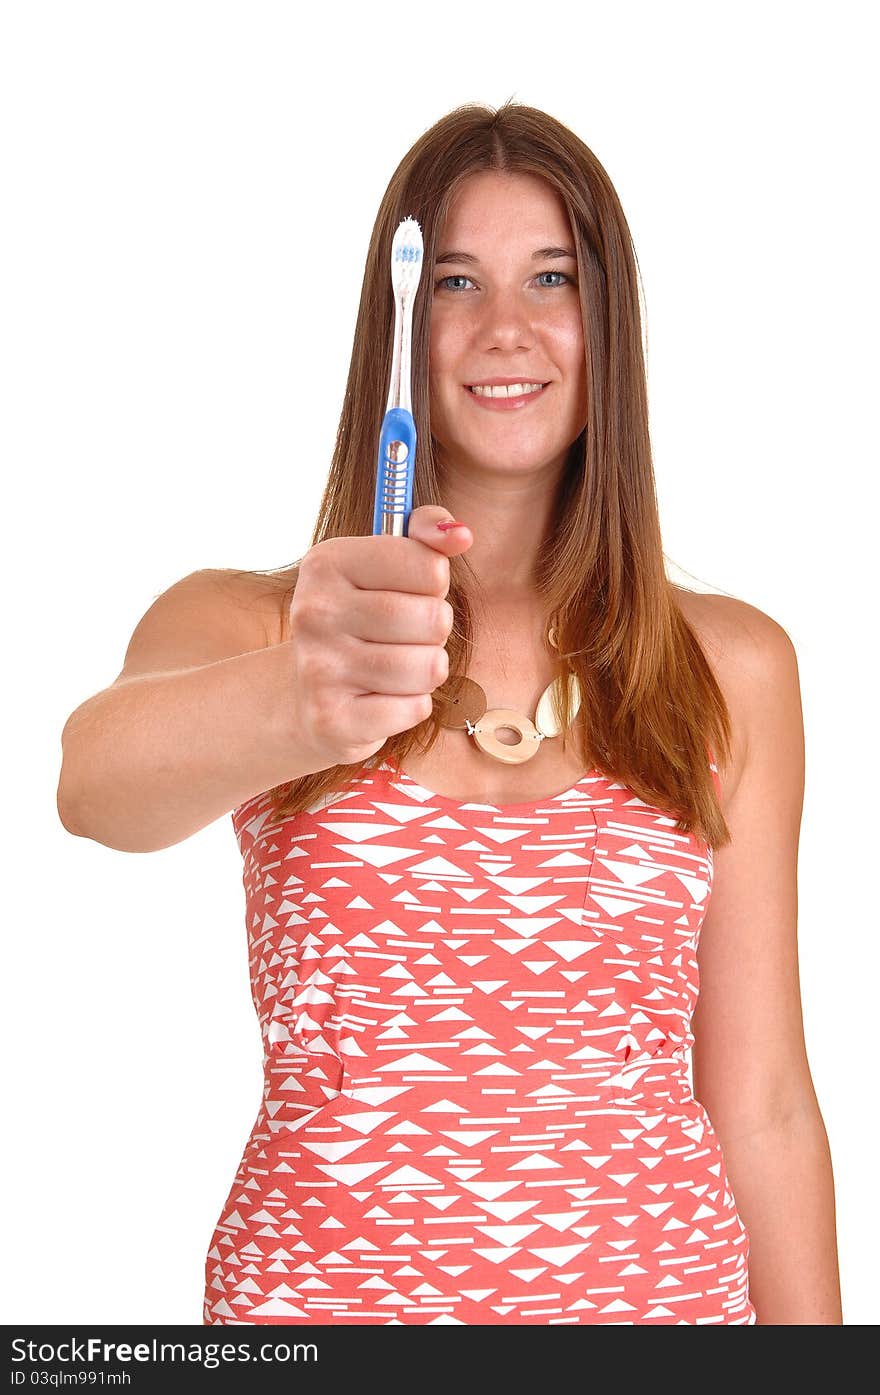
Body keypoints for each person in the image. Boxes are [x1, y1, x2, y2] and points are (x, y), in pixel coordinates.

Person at [56, 100, 842, 1326]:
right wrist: (301, 697)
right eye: (457, 283)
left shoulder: (730, 667)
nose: (506, 328)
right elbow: (92, 790)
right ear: (401, 329)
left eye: (552, 278)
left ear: (609, 324)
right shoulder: (260, 627)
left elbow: (764, 1105)